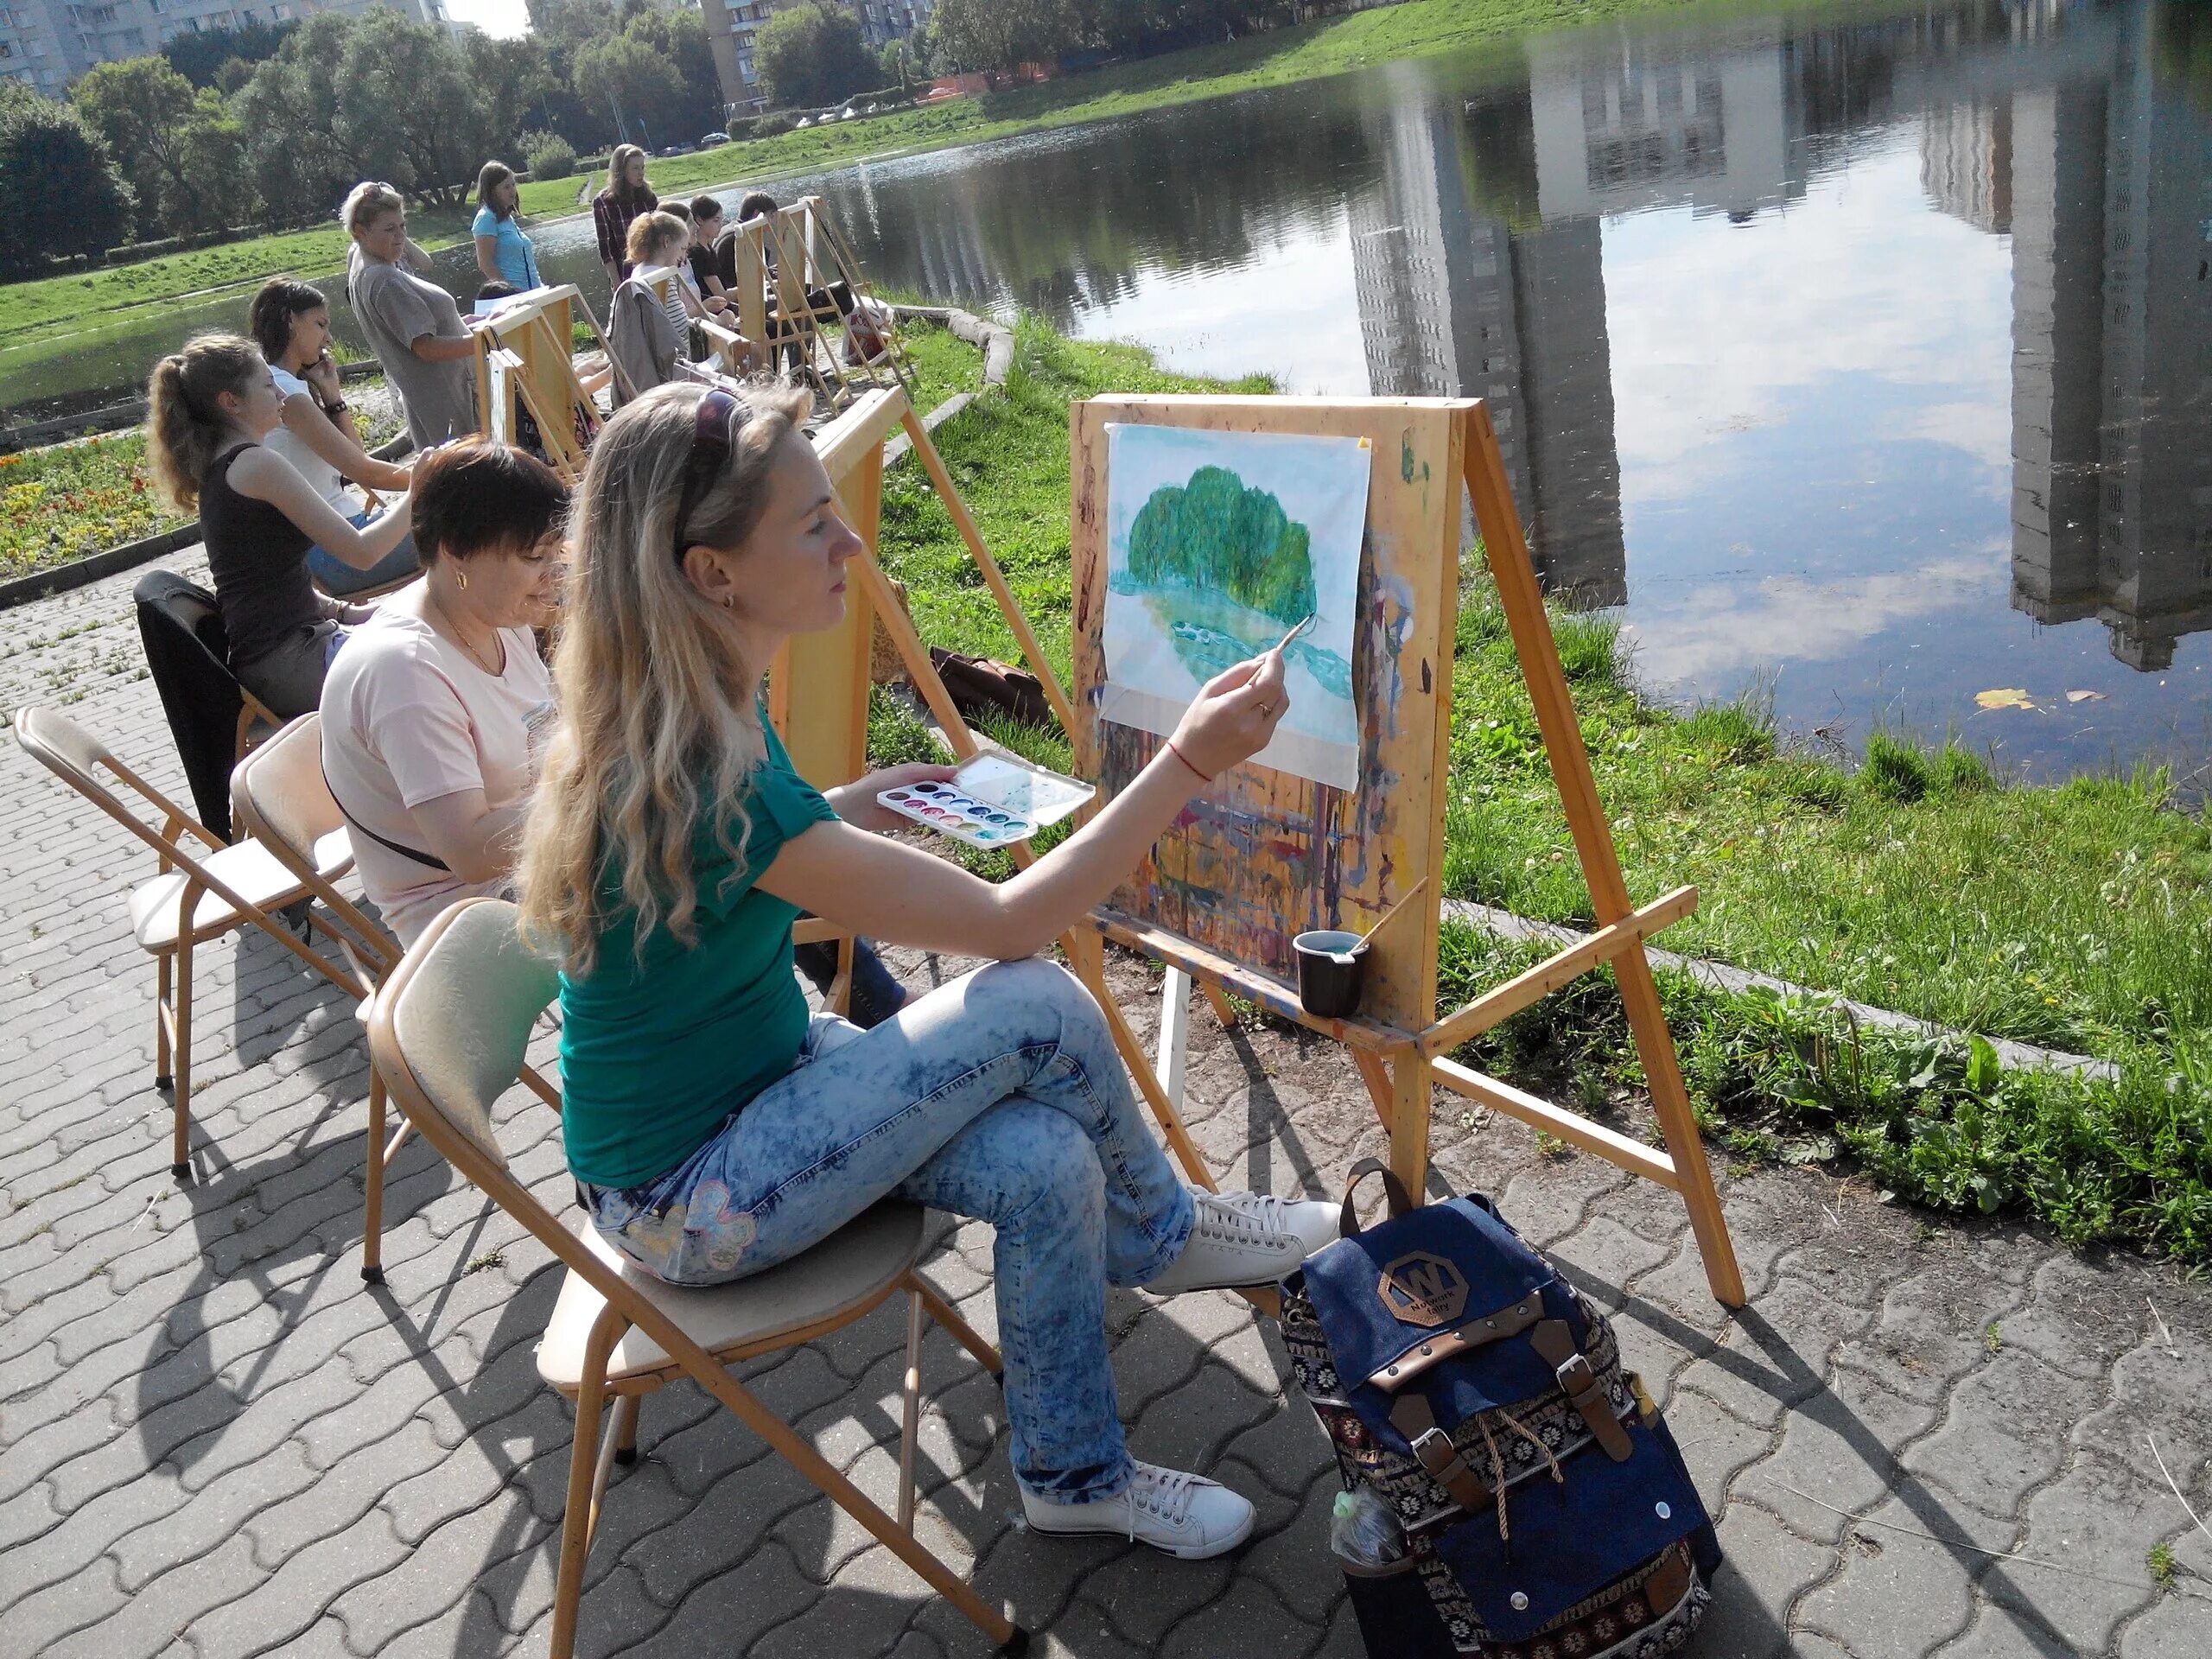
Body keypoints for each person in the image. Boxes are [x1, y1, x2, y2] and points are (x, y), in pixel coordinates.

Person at [514, 381, 1337, 1559]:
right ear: (712, 573)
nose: (851, 538)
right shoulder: (709, 768)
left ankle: (1071, 1475)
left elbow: (762, 859)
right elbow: (1013, 927)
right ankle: (1163, 1235)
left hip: (765, 1098)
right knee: (1036, 1007)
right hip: (686, 1206)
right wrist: (1188, 763)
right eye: (812, 524)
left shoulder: (691, 698)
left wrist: (866, 805)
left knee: (1051, 1159)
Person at [320, 438, 562, 945]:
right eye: (537, 557)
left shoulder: (493, 612)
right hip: (463, 919)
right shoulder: (405, 671)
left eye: (558, 553)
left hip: (529, 870)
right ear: (457, 551)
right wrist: (602, 787)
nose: (555, 574)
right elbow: (470, 852)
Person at [145, 335, 414, 717]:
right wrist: (420, 488)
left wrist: (351, 612)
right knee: (434, 658)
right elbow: (362, 553)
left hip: (287, 656)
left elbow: (270, 582)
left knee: (427, 627)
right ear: (231, 402)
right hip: (292, 664)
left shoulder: (225, 466)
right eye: (269, 386)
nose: (282, 396)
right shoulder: (257, 465)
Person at [247, 278, 420, 599]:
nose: (328, 337)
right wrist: (444, 473)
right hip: (338, 553)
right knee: (472, 520)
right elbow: (366, 473)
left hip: (345, 537)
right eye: (320, 324)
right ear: (289, 321)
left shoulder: (286, 385)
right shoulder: (286, 394)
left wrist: (332, 395)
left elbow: (356, 463)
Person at [343, 181, 480, 452]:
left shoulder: (361, 258)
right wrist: (487, 339)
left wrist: (460, 324)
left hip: (432, 400)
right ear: (360, 231)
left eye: (403, 226)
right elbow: (425, 348)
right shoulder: (384, 279)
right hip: (449, 402)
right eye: (389, 229)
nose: (400, 236)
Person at [605, 213, 694, 404]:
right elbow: (667, 327)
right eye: (682, 248)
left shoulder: (640, 271)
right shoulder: (657, 278)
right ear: (667, 242)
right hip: (671, 374)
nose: (683, 256)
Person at [592, 143, 658, 289]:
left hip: (653, 268)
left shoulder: (648, 196)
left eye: (642, 167)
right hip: (625, 273)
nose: (641, 173)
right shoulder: (603, 202)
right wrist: (617, 284)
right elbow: (606, 249)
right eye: (635, 168)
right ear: (621, 170)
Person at [471, 161, 542, 293]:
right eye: (506, 187)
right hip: (515, 299)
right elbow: (486, 265)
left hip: (534, 292)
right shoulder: (486, 218)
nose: (513, 191)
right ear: (492, 191)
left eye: (513, 185)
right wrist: (510, 292)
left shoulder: (507, 218)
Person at [686, 196, 732, 316]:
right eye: (716, 221)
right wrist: (752, 286)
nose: (720, 225)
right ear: (700, 220)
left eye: (721, 220)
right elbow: (721, 295)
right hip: (712, 314)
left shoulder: (708, 248)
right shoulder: (697, 253)